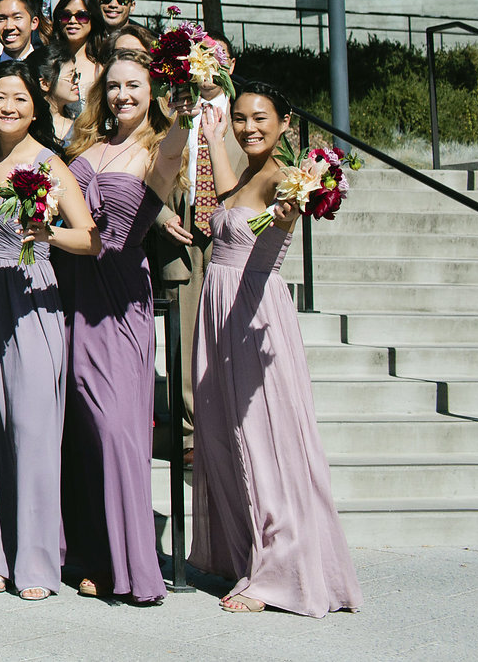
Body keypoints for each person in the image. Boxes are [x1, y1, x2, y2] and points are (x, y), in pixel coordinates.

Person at [190, 82, 361, 616]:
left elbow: (284, 217)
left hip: (253, 311)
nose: (249, 127)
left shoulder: (286, 181)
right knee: (221, 436)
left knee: (263, 439)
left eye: (260, 118)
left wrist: (293, 203)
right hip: (216, 311)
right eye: (240, 118)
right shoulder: (243, 170)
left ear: (286, 121)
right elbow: (223, 202)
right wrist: (216, 137)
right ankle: (245, 555)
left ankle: (277, 572)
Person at [0, 61, 100, 600]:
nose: (8, 106)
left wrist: (48, 234)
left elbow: (91, 238)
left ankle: (36, 562)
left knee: (33, 432)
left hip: (32, 297)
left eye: (18, 97)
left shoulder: (49, 162)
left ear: (35, 105)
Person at [60, 52, 196, 605]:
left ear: (151, 91)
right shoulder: (82, 147)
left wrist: (182, 113)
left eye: (133, 86)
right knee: (81, 431)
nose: (121, 95)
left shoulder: (154, 152)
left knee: (118, 431)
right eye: (113, 86)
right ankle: (90, 554)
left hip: (118, 299)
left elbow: (169, 160)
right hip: (69, 292)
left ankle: (130, 563)